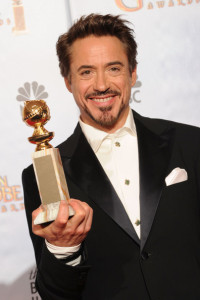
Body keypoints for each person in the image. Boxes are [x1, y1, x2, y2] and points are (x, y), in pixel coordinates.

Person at [22, 14, 200, 300]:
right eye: (86, 72)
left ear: (133, 73)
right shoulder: (43, 175)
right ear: (68, 81)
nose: (101, 85)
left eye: (114, 68)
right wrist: (62, 247)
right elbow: (54, 294)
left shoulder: (191, 143)